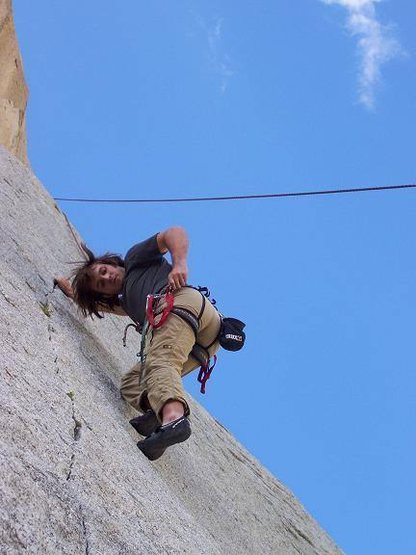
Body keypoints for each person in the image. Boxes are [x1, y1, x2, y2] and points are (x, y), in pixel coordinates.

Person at [55, 227, 221, 460]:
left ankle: (174, 419)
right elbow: (102, 306)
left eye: (103, 270)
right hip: (205, 342)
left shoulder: (134, 260)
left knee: (160, 362)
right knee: (133, 384)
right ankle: (158, 411)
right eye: (100, 284)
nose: (106, 277)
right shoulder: (128, 303)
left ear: (111, 263)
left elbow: (174, 233)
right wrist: (72, 293)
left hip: (182, 304)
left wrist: (179, 264)